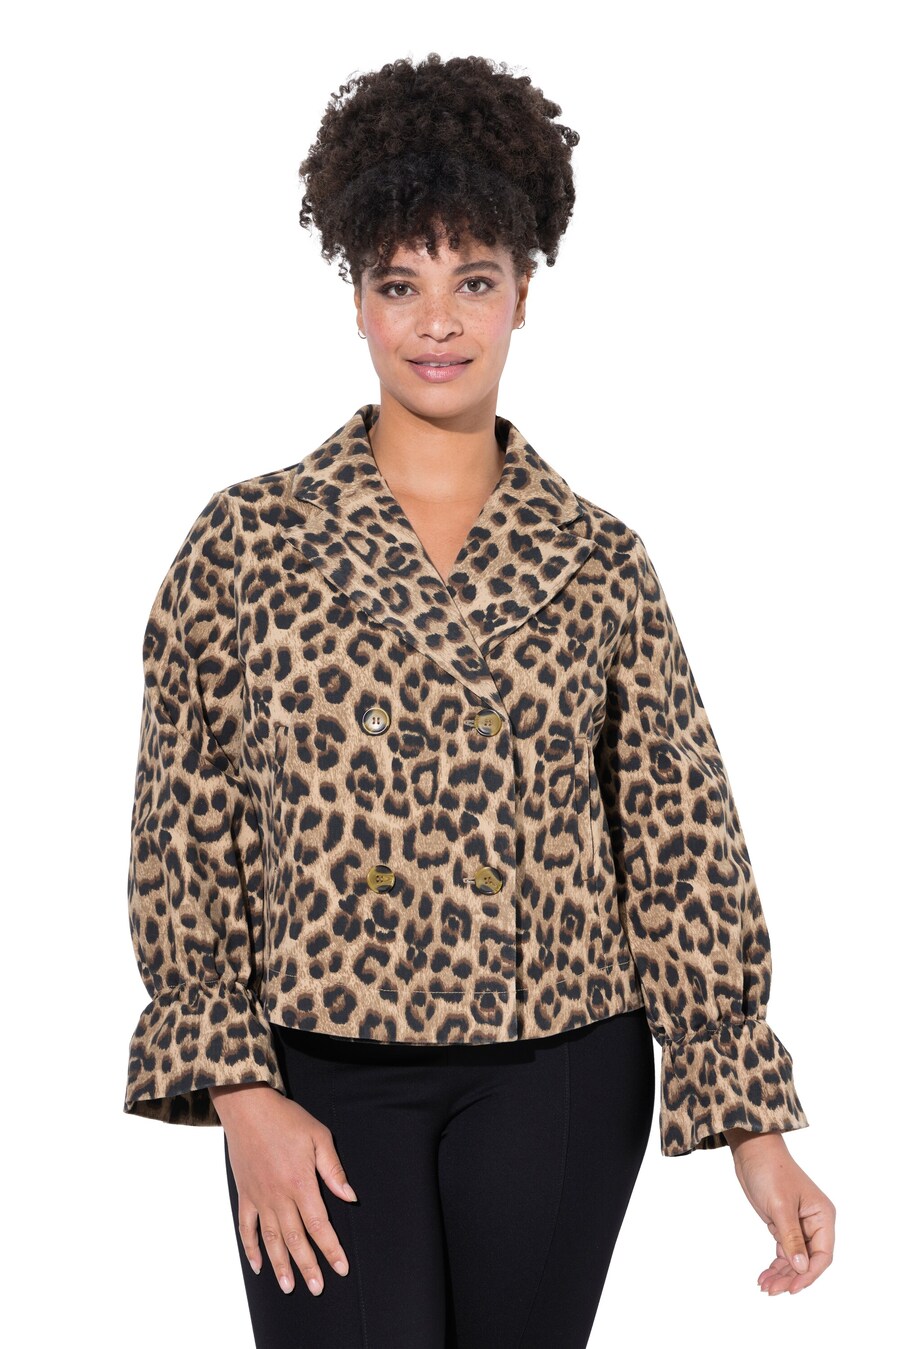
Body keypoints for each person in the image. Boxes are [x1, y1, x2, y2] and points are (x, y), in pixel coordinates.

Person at [122, 52, 835, 1348]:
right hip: (321, 1069)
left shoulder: (596, 556)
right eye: (401, 283)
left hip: (560, 1071)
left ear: (523, 294)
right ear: (355, 298)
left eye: (474, 281)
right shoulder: (249, 542)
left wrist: (755, 1127)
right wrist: (239, 1090)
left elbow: (681, 840)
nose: (437, 322)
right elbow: (185, 831)